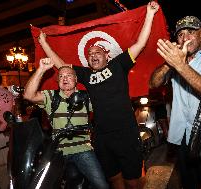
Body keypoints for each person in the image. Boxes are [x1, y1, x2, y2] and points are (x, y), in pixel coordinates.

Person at [37, 1, 160, 188]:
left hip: (126, 133)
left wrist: (149, 14)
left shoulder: (118, 64)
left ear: (107, 55)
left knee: (133, 182)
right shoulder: (85, 74)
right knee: (113, 179)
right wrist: (44, 43)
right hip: (101, 137)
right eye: (89, 53)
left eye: (97, 52)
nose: (93, 54)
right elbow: (60, 64)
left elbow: (140, 43)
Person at [149, 16, 201, 189]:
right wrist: (170, 64)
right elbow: (153, 83)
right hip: (182, 137)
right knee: (188, 184)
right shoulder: (174, 62)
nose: (185, 38)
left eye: (191, 32)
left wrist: (180, 65)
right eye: (180, 34)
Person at [23, 60, 109, 189]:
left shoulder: (86, 97)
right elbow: (28, 95)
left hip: (83, 150)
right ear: (57, 81)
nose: (65, 78)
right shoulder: (52, 96)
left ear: (76, 79)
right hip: (58, 151)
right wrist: (41, 69)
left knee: (102, 186)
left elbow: (107, 105)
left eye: (68, 75)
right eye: (61, 76)